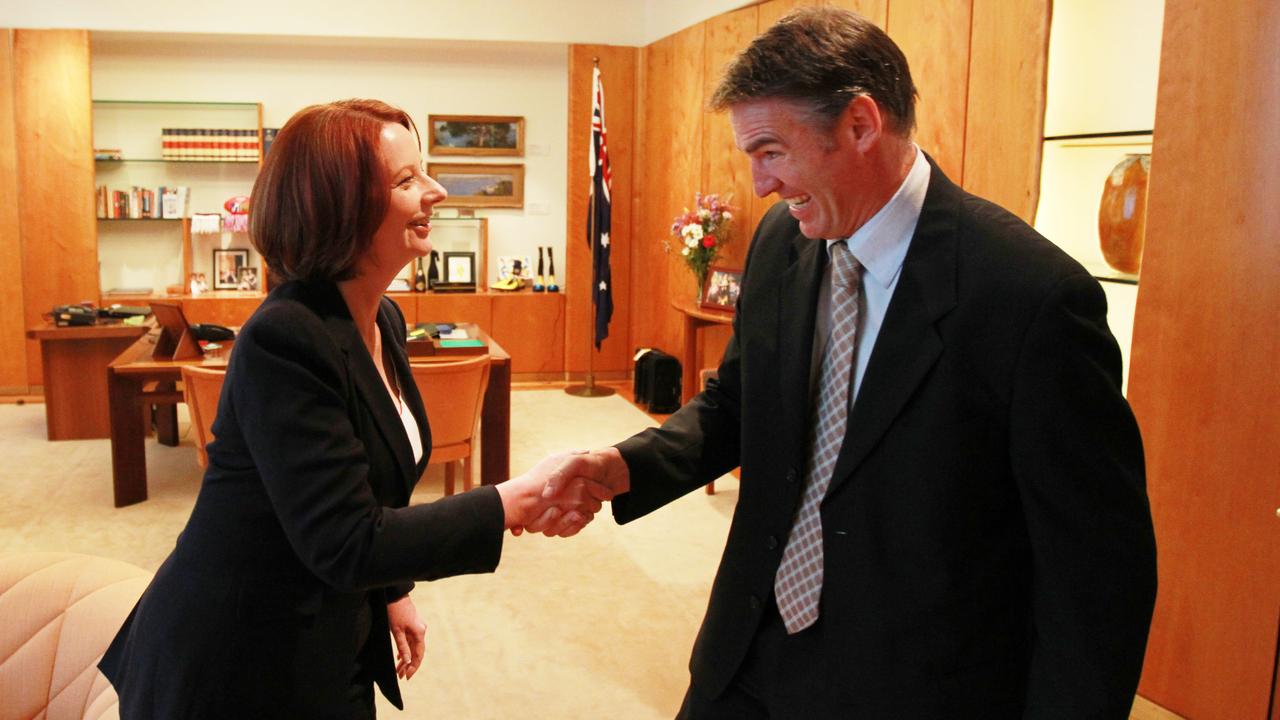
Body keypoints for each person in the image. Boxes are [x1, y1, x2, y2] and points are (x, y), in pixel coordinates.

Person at [549, 8, 1158, 718]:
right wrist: (628, 466)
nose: (760, 186)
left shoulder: (1032, 299)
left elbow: (1095, 573)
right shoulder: (784, 242)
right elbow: (742, 405)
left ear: (861, 125)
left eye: (771, 151)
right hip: (747, 652)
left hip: (912, 683)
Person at [98, 99, 602, 719]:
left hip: (323, 626)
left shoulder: (382, 318)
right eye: (406, 179)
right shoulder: (284, 337)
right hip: (235, 654)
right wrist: (512, 500)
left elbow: (365, 490)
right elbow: (345, 539)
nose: (436, 191)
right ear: (338, 206)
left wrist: (391, 593)